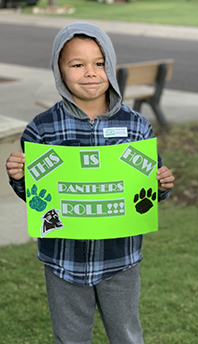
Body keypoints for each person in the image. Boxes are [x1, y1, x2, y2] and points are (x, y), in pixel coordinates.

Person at [5, 22, 175, 344]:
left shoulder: (136, 126)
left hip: (120, 258)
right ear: (59, 70)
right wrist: (19, 178)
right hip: (63, 259)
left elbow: (148, 188)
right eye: (77, 65)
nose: (90, 73)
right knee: (70, 339)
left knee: (126, 335)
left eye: (99, 63)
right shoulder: (41, 130)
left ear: (110, 65)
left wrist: (161, 184)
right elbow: (38, 199)